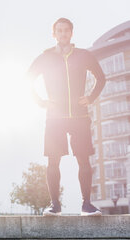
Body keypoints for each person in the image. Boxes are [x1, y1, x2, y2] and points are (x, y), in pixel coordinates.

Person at [27, 18, 106, 216]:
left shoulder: (83, 55)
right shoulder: (45, 57)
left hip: (80, 116)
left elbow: (101, 78)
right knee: (53, 162)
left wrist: (90, 97)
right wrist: (40, 102)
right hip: (55, 117)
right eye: (59, 31)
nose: (63, 34)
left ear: (71, 33)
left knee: (84, 161)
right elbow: (26, 80)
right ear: (53, 34)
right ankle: (55, 205)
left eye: (66, 30)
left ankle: (87, 205)